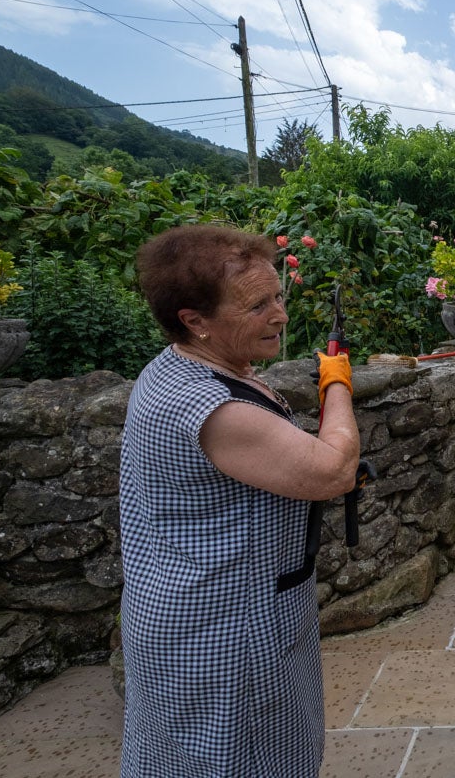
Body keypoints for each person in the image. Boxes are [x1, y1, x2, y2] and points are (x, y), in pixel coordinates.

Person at [119, 224, 359, 777]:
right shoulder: (207, 407)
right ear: (194, 321)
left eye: (278, 295)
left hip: (211, 608)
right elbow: (334, 470)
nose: (279, 315)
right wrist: (337, 385)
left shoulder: (179, 368)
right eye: (257, 306)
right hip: (222, 632)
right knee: (237, 761)